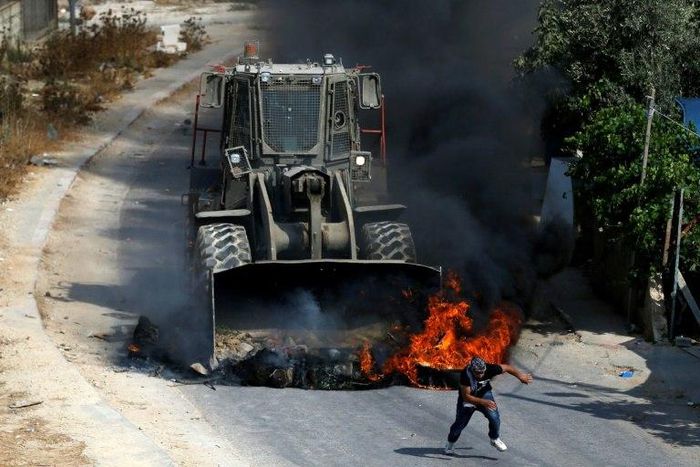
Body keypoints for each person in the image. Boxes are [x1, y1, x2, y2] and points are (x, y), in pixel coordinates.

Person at [444, 356, 533, 455]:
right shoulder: (466, 375)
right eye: (478, 373)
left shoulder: (490, 368)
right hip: (468, 400)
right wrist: (483, 402)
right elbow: (466, 397)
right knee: (459, 425)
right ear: (472, 370)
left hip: (485, 394)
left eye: (482, 372)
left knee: (494, 418)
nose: (481, 375)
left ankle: (494, 439)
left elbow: (508, 367)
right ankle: (450, 444)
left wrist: (521, 376)